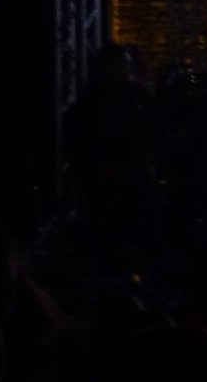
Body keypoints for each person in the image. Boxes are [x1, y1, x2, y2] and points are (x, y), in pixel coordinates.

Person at [63, 43, 163, 276]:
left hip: (136, 183)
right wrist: (100, 168)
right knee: (108, 245)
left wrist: (142, 161)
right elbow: (76, 146)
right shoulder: (89, 104)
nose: (125, 71)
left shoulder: (138, 98)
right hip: (102, 188)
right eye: (120, 65)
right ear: (106, 68)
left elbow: (156, 133)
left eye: (127, 65)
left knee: (144, 237)